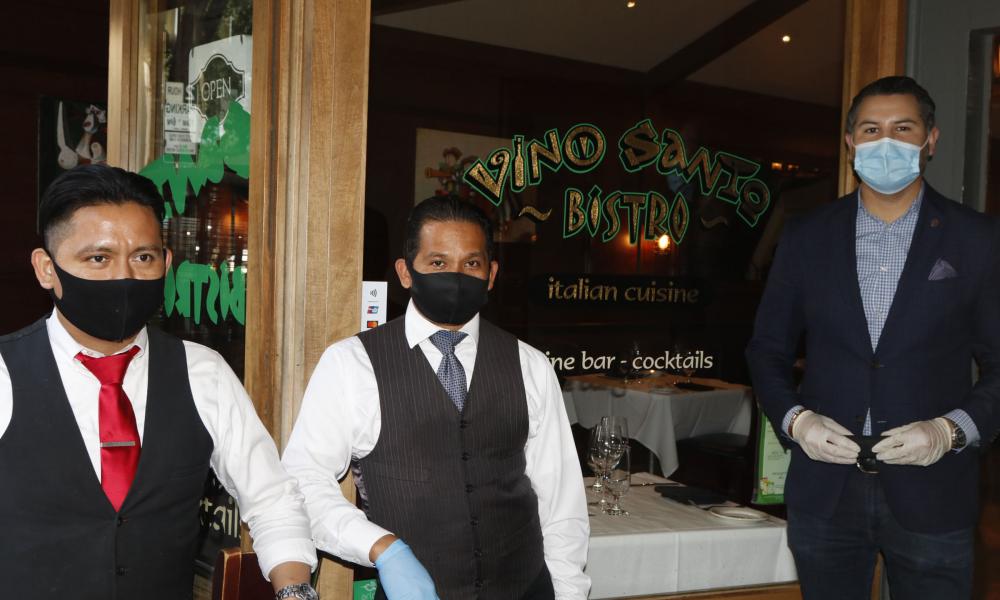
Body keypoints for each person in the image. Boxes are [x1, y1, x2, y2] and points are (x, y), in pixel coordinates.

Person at [0, 164, 319, 600]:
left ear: (167, 263)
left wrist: (295, 592)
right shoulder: (5, 371)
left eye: (144, 257)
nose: (124, 276)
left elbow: (273, 501)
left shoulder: (202, 372)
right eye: (98, 258)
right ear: (46, 269)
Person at [747, 75, 1000, 599]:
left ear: (930, 139)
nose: (886, 141)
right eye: (871, 128)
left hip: (935, 490)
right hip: (825, 487)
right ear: (851, 143)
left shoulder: (979, 239)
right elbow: (767, 350)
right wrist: (797, 421)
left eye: (902, 128)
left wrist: (951, 431)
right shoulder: (806, 236)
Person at [282, 196, 590, 599]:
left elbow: (561, 504)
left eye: (472, 264)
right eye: (438, 263)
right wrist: (383, 549)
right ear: (405, 272)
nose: (456, 275)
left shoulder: (530, 365)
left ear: (492, 274)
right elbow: (303, 482)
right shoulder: (351, 363)